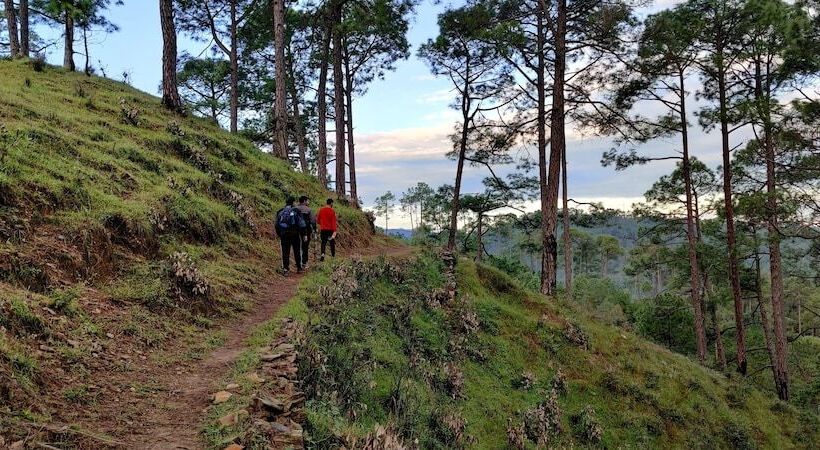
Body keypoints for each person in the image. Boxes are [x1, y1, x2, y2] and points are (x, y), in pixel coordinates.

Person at [274, 196, 306, 274]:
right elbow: (301, 224)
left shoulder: (280, 211)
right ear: (293, 202)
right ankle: (299, 268)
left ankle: (286, 269)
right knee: (297, 251)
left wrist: (280, 234)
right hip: (295, 234)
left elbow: (276, 224)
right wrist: (303, 234)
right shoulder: (296, 210)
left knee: (285, 252)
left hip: (284, 234)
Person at [295, 195, 316, 269]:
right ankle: (304, 262)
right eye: (307, 200)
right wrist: (314, 230)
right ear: (304, 201)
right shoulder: (308, 210)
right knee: (305, 246)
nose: (308, 202)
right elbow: (313, 221)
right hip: (306, 230)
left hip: (296, 230)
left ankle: (298, 262)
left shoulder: (295, 209)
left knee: (297, 246)